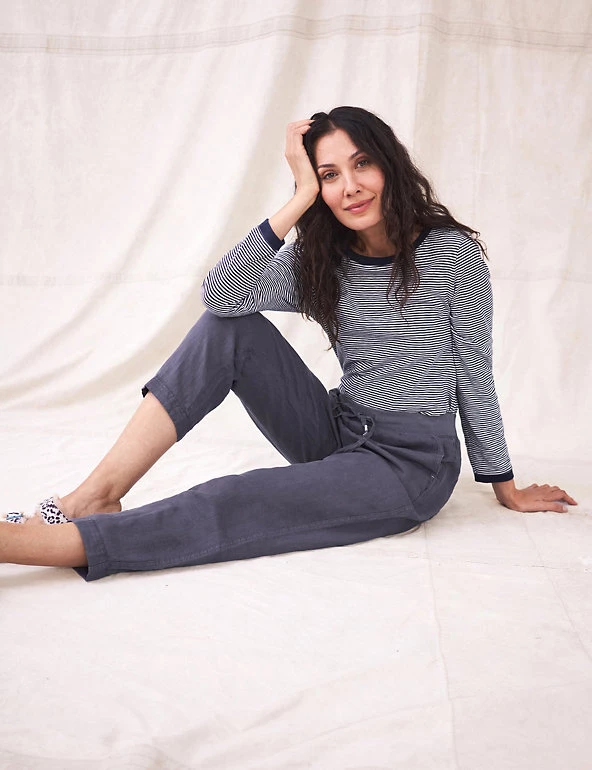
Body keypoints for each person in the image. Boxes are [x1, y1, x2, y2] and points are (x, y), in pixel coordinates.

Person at [0, 106, 577, 580]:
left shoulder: (453, 254)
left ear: (390, 164)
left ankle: (35, 546)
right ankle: (95, 495)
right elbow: (220, 296)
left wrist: (504, 485)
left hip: (407, 464)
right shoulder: (324, 258)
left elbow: (475, 372)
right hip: (339, 430)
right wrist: (299, 196)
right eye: (329, 175)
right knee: (230, 330)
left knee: (239, 497)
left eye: (362, 164)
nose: (350, 186)